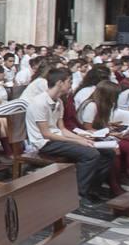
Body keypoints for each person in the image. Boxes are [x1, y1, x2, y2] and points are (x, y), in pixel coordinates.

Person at [26, 68, 114, 201]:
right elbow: (46, 134)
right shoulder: (40, 102)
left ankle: (92, 188)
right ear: (60, 83)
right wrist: (77, 142)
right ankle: (78, 194)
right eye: (69, 82)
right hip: (44, 143)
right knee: (91, 155)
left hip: (57, 138)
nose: (71, 85)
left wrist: (82, 137)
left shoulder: (59, 101)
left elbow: (62, 128)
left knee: (108, 152)